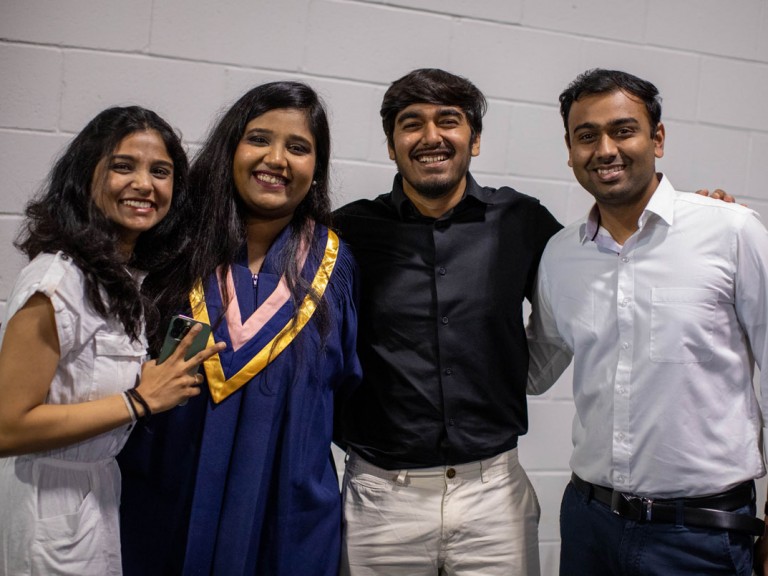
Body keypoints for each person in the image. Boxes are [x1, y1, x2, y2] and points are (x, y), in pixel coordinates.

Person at [527, 68, 768, 575]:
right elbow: (533, 369)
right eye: (586, 136)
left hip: (702, 534)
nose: (605, 149)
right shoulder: (560, 255)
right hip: (589, 522)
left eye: (623, 130)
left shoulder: (731, 232)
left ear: (657, 138)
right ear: (569, 150)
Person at [118, 81, 361, 576]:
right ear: (231, 148)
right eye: (258, 139)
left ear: (316, 169)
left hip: (286, 517)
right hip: (169, 502)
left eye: (298, 147)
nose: (277, 158)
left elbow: (345, 389)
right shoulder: (170, 248)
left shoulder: (334, 267)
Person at [334, 68, 562, 576]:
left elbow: (596, 274)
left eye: (449, 121)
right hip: (380, 499)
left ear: (474, 140)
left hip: (494, 495)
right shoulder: (346, 232)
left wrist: (693, 216)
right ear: (391, 145)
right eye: (411, 123)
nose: (430, 137)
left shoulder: (522, 221)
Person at [0, 106, 224, 576]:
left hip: (98, 495)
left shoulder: (118, 279)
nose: (145, 184)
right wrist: (138, 401)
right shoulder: (57, 281)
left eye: (160, 172)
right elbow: (7, 428)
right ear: (86, 177)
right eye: (124, 166)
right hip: (49, 506)